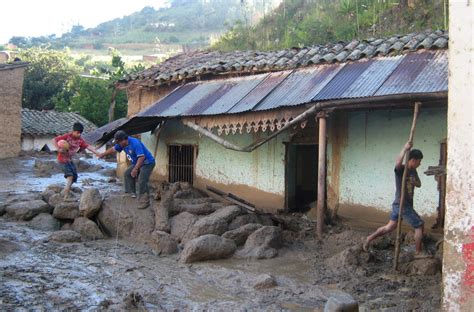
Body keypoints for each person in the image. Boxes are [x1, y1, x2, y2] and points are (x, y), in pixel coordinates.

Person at [363, 142, 430, 258]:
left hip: (401, 204)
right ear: (413, 160)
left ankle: (368, 239)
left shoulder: (413, 171)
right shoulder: (401, 170)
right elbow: (398, 162)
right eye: (419, 161)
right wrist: (405, 148)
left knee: (390, 227)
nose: (420, 164)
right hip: (402, 205)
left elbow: (419, 184)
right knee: (419, 225)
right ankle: (418, 252)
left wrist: (415, 182)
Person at [99, 130, 155, 209]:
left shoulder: (135, 143)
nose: (118, 144)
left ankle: (144, 200)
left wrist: (135, 169)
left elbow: (141, 157)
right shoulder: (121, 144)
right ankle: (131, 193)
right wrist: (102, 154)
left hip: (147, 163)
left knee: (142, 180)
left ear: (124, 140)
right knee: (127, 173)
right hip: (137, 162)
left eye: (118, 142)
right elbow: (113, 149)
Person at [53, 122, 100, 200]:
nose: (79, 134)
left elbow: (88, 147)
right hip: (62, 159)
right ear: (73, 131)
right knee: (70, 175)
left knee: (74, 177)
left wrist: (97, 153)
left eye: (80, 133)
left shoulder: (80, 140)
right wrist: (58, 149)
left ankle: (66, 189)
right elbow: (54, 140)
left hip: (69, 160)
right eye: (77, 133)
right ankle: (66, 194)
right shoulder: (67, 136)